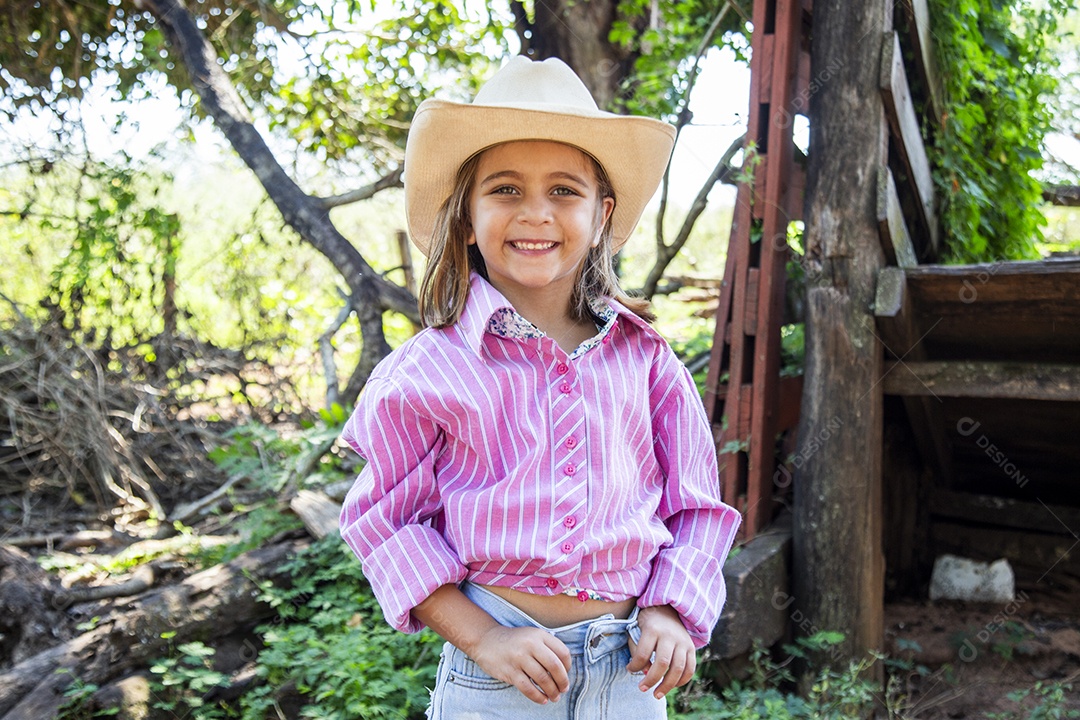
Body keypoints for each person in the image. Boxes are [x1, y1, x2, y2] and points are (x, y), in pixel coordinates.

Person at [339, 55, 741, 719]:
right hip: (496, 678)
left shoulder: (648, 363)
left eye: (563, 190)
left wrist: (670, 609)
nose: (535, 213)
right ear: (466, 216)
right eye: (504, 190)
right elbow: (384, 523)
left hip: (629, 673)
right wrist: (485, 636)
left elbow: (697, 509)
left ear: (601, 215)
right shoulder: (428, 370)